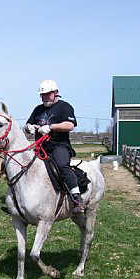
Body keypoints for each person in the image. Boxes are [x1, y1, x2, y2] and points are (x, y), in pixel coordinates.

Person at [23, 79, 85, 214]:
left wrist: (51, 127)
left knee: (62, 166)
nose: (44, 97)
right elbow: (27, 125)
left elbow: (70, 125)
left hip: (59, 146)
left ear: (56, 93)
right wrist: (29, 127)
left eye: (47, 94)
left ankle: (76, 198)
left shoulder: (65, 107)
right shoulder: (38, 109)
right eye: (42, 95)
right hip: (40, 148)